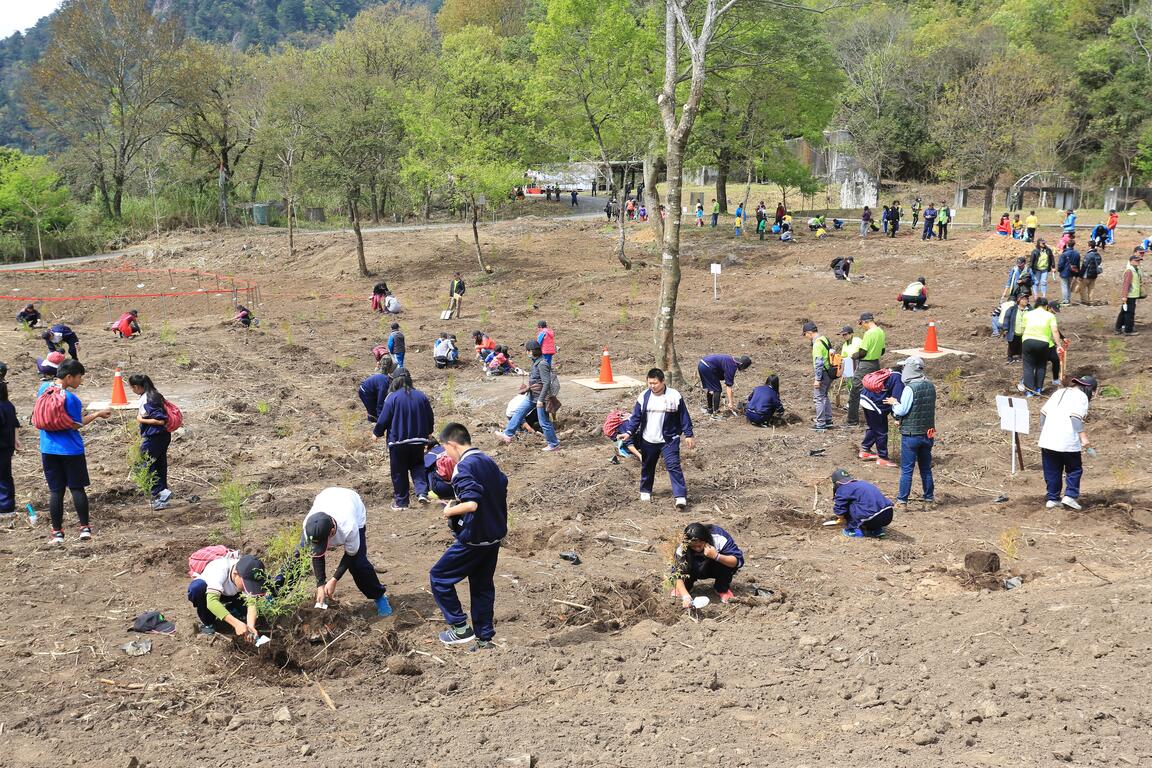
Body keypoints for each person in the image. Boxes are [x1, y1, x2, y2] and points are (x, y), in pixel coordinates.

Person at [431, 422, 509, 650]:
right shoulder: (487, 460)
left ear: (452, 444)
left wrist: (450, 510)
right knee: (482, 586)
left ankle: (460, 628)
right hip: (494, 535)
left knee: (439, 576)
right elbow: (502, 484)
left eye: (446, 450)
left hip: (474, 537)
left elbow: (472, 503)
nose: (447, 455)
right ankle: (485, 639)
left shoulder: (463, 467)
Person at [37, 359, 111, 544]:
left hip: (48, 449)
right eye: (79, 377)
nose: (81, 381)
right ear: (69, 377)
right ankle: (84, 529)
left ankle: (57, 533)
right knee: (77, 489)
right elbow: (77, 424)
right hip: (71, 450)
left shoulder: (43, 389)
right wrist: (97, 414)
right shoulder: (71, 399)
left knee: (56, 492)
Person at [301, 487, 392, 616]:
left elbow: (351, 555)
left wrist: (334, 579)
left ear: (332, 531)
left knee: (358, 564)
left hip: (351, 503)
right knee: (298, 556)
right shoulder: (309, 526)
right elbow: (317, 555)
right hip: (326, 496)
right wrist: (320, 584)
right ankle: (274, 592)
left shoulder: (349, 527)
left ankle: (379, 596)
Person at [616, 368, 694, 507]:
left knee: (673, 466)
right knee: (648, 465)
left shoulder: (674, 396)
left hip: (669, 439)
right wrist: (628, 432)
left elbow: (684, 416)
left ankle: (680, 496)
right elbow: (636, 417)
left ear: (663, 381)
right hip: (648, 439)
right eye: (650, 383)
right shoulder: (644, 396)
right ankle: (645, 490)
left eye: (655, 383)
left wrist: (689, 434)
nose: (652, 386)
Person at [373, 370, 435, 510]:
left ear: (395, 381)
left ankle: (402, 502)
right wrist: (429, 431)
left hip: (398, 441)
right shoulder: (421, 396)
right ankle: (422, 492)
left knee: (399, 471)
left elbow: (384, 418)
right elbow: (429, 416)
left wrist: (377, 432)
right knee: (418, 466)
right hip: (418, 440)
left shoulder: (392, 397)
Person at [1038, 375, 1097, 511]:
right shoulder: (1081, 396)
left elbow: (1043, 413)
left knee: (1052, 470)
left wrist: (1045, 431)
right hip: (1068, 440)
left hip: (1048, 439)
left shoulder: (1058, 393)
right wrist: (1083, 438)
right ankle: (1070, 496)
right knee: (1074, 469)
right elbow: (1075, 418)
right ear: (1089, 389)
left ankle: (1052, 498)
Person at [886, 357, 935, 507]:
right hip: (927, 433)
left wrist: (894, 403)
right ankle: (929, 500)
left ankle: (902, 502)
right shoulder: (930, 385)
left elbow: (902, 410)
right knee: (926, 468)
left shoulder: (910, 388)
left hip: (911, 435)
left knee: (907, 470)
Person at [188, 553, 268, 637]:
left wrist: (251, 626)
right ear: (235, 573)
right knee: (197, 589)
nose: (248, 587)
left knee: (245, 611)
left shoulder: (247, 572)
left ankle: (231, 608)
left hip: (234, 594)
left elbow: (251, 603)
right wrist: (236, 624)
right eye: (246, 584)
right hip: (211, 593)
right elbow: (212, 602)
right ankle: (208, 623)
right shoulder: (219, 569)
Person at [498, 340, 560, 451]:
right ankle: (507, 434)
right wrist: (527, 384)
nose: (526, 353)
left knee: (544, 422)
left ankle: (553, 444)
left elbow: (546, 382)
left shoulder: (542, 364)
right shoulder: (536, 362)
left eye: (527, 350)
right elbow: (537, 379)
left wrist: (541, 400)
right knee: (519, 412)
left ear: (531, 351)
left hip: (540, 397)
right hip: (532, 396)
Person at [671, 522, 743, 606]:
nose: (697, 549)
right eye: (693, 547)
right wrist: (685, 596)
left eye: (699, 545)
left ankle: (722, 589)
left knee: (726, 563)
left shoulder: (719, 538)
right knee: (683, 571)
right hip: (693, 567)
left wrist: (716, 556)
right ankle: (684, 588)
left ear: (706, 539)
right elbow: (677, 574)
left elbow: (738, 562)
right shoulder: (682, 547)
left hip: (715, 566)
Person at [128, 374, 172, 510]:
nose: (132, 390)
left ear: (137, 387)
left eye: (132, 388)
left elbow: (160, 420)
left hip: (154, 436)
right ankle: (162, 497)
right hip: (162, 436)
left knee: (142, 464)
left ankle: (161, 491)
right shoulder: (155, 394)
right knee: (158, 465)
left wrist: (140, 419)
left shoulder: (148, 398)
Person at [830, 469, 894, 538]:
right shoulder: (863, 483)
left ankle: (854, 531)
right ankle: (877, 531)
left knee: (850, 505)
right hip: (888, 514)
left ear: (837, 483)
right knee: (864, 503)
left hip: (871, 518)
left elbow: (839, 507)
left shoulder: (843, 488)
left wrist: (841, 518)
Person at [859, 366, 902, 467]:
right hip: (875, 404)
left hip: (864, 398)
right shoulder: (898, 379)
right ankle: (882, 457)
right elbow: (895, 399)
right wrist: (897, 417)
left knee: (873, 427)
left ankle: (865, 450)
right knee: (881, 431)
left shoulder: (887, 372)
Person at [847, 313, 885, 427]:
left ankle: (852, 420)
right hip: (875, 364)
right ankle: (875, 419)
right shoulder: (881, 332)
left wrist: (854, 355)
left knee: (855, 391)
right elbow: (882, 351)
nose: (862, 326)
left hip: (865, 365)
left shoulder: (869, 333)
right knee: (873, 391)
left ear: (865, 322)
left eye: (861, 324)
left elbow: (863, 352)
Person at [1020, 298, 1062, 396]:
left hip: (1028, 341)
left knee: (1028, 367)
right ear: (1046, 306)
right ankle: (1038, 389)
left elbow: (1022, 329)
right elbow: (1055, 331)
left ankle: (1029, 391)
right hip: (1043, 343)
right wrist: (1058, 345)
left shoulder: (1027, 314)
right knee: (1041, 366)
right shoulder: (1050, 316)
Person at [803, 322, 836, 431]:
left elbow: (819, 363)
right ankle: (828, 420)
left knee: (818, 398)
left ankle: (821, 423)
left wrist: (817, 379)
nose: (806, 337)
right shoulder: (824, 339)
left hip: (823, 374)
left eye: (805, 334)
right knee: (824, 396)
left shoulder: (817, 343)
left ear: (809, 332)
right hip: (830, 373)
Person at [0, 382, 20, 527]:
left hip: (2, 446)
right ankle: (8, 506)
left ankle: (5, 506)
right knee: (5, 475)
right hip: (7, 447)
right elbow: (15, 424)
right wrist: (16, 440)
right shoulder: (9, 405)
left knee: (3, 477)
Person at [1115, 250, 1144, 335]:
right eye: (1136, 261)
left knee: (1124, 311)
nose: (1138, 262)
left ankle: (1118, 328)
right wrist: (1124, 296)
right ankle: (1128, 330)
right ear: (1131, 261)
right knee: (1129, 313)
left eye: (1139, 260)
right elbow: (1126, 284)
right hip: (1130, 295)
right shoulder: (1130, 271)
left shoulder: (1135, 270)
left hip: (1132, 294)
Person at [1001, 291, 1032, 363]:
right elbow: (1006, 318)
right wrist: (1005, 328)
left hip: (1025, 332)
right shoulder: (1012, 309)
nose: (1025, 301)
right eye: (1023, 299)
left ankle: (1020, 356)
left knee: (1022, 344)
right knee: (1012, 344)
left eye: (1026, 299)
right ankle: (1010, 357)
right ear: (1018, 300)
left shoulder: (1030, 310)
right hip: (1014, 331)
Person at [1057, 240, 1081, 306]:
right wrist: (1077, 274)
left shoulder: (1064, 254)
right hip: (1072, 272)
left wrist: (1059, 270)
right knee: (1068, 286)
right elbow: (1078, 264)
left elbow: (1060, 264)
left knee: (1064, 286)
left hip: (1064, 272)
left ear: (1067, 244)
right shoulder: (1077, 253)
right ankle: (1068, 299)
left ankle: (1065, 300)